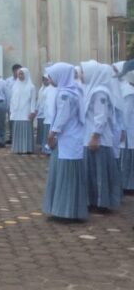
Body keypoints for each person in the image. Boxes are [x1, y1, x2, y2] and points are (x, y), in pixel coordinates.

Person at [42, 63, 88, 221]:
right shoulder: (74, 90)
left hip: (65, 140)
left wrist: (52, 133)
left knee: (64, 175)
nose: (49, 78)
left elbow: (62, 116)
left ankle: (64, 212)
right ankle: (70, 210)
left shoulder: (64, 94)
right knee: (70, 175)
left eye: (52, 75)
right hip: (72, 139)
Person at [81, 60, 122, 213]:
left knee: (99, 173)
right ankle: (93, 200)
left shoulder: (100, 92)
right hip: (90, 137)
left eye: (84, 72)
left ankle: (101, 202)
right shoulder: (91, 90)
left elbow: (101, 116)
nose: (82, 75)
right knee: (92, 172)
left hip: (98, 140)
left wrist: (95, 136)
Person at [114, 61, 134, 193]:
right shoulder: (128, 90)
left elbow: (126, 114)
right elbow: (126, 113)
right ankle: (128, 184)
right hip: (129, 130)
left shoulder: (128, 90)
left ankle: (128, 184)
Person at [10, 68, 37, 154]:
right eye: (19, 74)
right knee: (18, 130)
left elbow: (33, 100)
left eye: (22, 74)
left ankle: (27, 148)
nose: (20, 76)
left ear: (26, 74)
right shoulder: (15, 86)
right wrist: (12, 110)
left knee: (26, 129)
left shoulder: (31, 87)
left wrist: (32, 112)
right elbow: (12, 99)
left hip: (26, 110)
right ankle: (18, 148)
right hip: (17, 112)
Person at [41, 75, 58, 155]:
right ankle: (47, 149)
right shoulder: (47, 90)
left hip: (55, 116)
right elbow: (44, 102)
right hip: (48, 115)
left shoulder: (59, 89)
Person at [36, 76, 49, 152]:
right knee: (41, 130)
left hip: (46, 113)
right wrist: (36, 109)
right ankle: (41, 144)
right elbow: (39, 101)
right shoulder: (41, 89)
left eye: (46, 80)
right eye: (43, 80)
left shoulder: (51, 89)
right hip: (41, 113)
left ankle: (46, 146)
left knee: (46, 130)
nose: (45, 81)